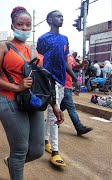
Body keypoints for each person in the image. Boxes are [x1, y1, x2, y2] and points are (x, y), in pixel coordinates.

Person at [0, 7, 64, 180]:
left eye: (28, 25)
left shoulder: (35, 52)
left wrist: (54, 105)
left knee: (37, 151)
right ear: (12, 25)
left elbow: (44, 81)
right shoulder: (3, 47)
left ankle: (13, 162)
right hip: (9, 101)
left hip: (33, 102)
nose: (24, 28)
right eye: (20, 24)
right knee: (20, 149)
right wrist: (16, 87)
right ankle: (15, 163)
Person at [37, 10, 78, 167]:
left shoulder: (64, 39)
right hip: (48, 80)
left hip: (61, 81)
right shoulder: (43, 39)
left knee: (52, 114)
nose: (62, 18)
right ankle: (55, 151)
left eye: (62, 16)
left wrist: (74, 78)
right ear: (49, 20)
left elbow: (64, 60)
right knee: (55, 115)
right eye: (58, 16)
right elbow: (40, 60)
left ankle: (46, 140)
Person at [60, 54, 93, 136]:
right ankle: (79, 127)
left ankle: (52, 121)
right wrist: (76, 80)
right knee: (71, 108)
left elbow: (75, 67)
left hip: (68, 85)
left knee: (62, 106)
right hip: (62, 85)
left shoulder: (70, 56)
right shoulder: (59, 54)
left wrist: (82, 64)